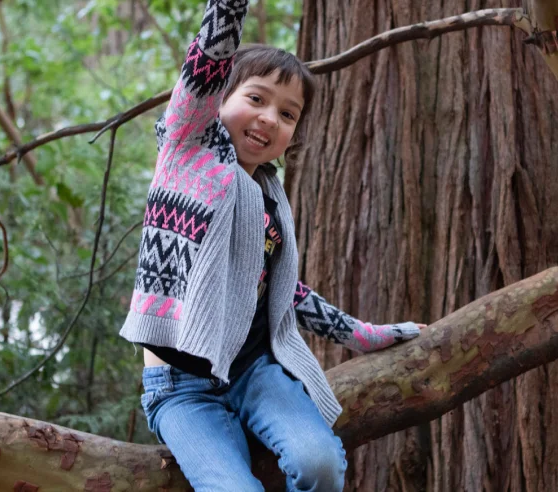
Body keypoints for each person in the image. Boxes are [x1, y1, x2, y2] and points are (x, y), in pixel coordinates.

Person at [117, 1, 423, 490]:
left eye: (287, 113)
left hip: (255, 371)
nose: (268, 118)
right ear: (219, 98)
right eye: (256, 99)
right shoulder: (186, 150)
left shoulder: (268, 199)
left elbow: (284, 291)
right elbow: (208, 61)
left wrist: (364, 335)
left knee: (320, 463)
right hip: (182, 388)